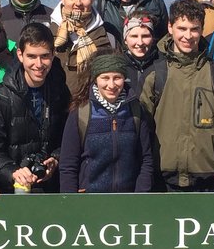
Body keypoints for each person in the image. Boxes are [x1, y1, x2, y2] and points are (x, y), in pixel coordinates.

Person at [138, 0, 214, 193]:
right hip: (162, 181)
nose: (188, 36)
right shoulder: (155, 74)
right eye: (182, 28)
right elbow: (141, 129)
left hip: (208, 181)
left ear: (201, 30)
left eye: (194, 29)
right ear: (170, 27)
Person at [0, 23, 70, 193]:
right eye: (31, 56)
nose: (39, 64)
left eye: (45, 56)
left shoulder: (60, 92)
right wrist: (13, 172)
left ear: (53, 55)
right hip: (8, 192)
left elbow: (69, 139)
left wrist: (55, 158)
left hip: (51, 190)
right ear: (20, 55)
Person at [58, 53, 157, 193]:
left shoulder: (135, 110)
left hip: (127, 199)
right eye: (105, 78)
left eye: (117, 78)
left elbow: (146, 159)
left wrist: (140, 196)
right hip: (89, 199)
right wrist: (71, 203)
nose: (111, 85)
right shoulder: (81, 113)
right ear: (95, 79)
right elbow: (68, 165)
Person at [51, 0, 115, 107]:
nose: (78, 3)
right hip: (55, 113)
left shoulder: (107, 36)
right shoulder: (48, 33)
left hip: (93, 112)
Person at [121, 13, 162, 97]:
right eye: (134, 36)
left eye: (145, 36)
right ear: (125, 40)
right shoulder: (118, 65)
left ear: (152, 38)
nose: (140, 42)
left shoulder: (163, 64)